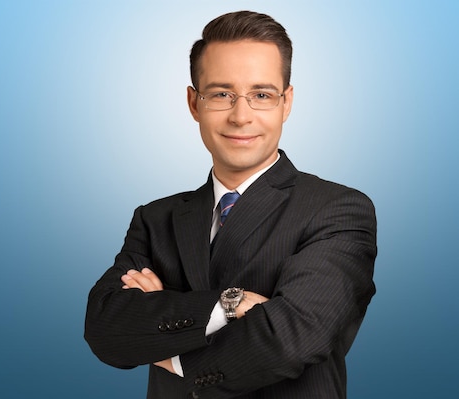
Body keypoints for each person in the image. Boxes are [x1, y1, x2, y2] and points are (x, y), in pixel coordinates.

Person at [84, 10, 376, 399]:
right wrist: (228, 304)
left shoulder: (337, 209)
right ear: (193, 103)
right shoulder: (156, 219)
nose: (241, 116)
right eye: (221, 94)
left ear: (286, 103)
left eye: (261, 95)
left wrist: (170, 354)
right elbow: (106, 331)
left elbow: (291, 339)